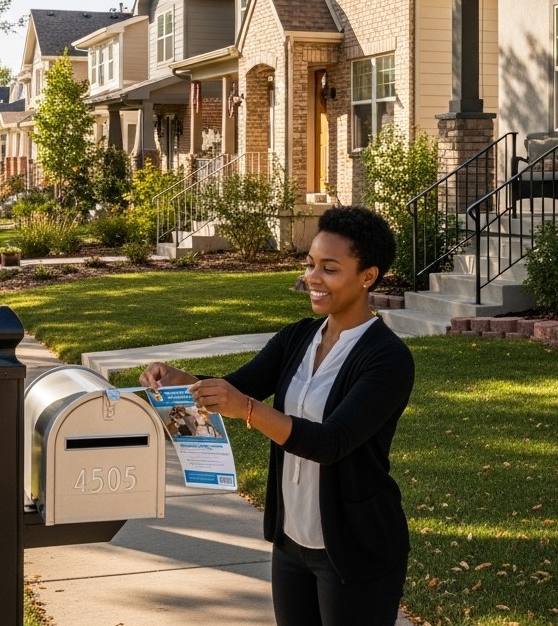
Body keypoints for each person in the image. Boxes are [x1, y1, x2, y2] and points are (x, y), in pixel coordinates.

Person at [140, 205, 415, 626]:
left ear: (368, 276)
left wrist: (246, 409)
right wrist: (182, 379)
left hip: (355, 547)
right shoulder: (297, 337)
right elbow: (237, 386)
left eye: (330, 268)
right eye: (310, 264)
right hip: (291, 542)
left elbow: (331, 442)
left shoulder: (387, 358)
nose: (313, 278)